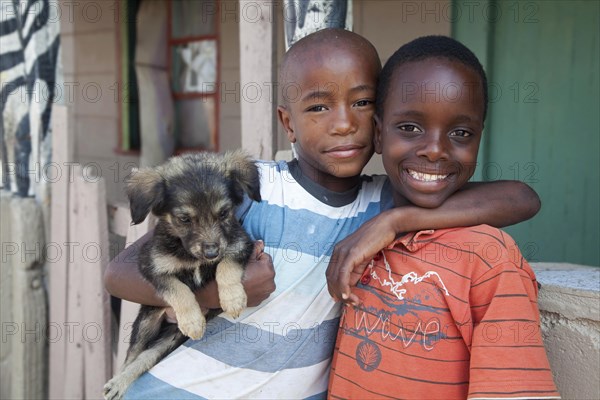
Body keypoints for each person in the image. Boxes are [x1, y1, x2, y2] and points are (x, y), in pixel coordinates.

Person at [104, 29, 542, 399]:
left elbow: (521, 198)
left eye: (362, 102)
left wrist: (394, 222)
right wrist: (214, 296)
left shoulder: (386, 200)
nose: (343, 123)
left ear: (380, 121)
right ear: (288, 123)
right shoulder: (253, 188)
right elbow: (119, 273)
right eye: (318, 107)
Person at [327, 35, 560, 399]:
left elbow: (524, 197)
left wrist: (394, 222)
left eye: (461, 133)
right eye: (410, 128)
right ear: (377, 132)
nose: (435, 150)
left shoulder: (488, 257)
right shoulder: (359, 207)